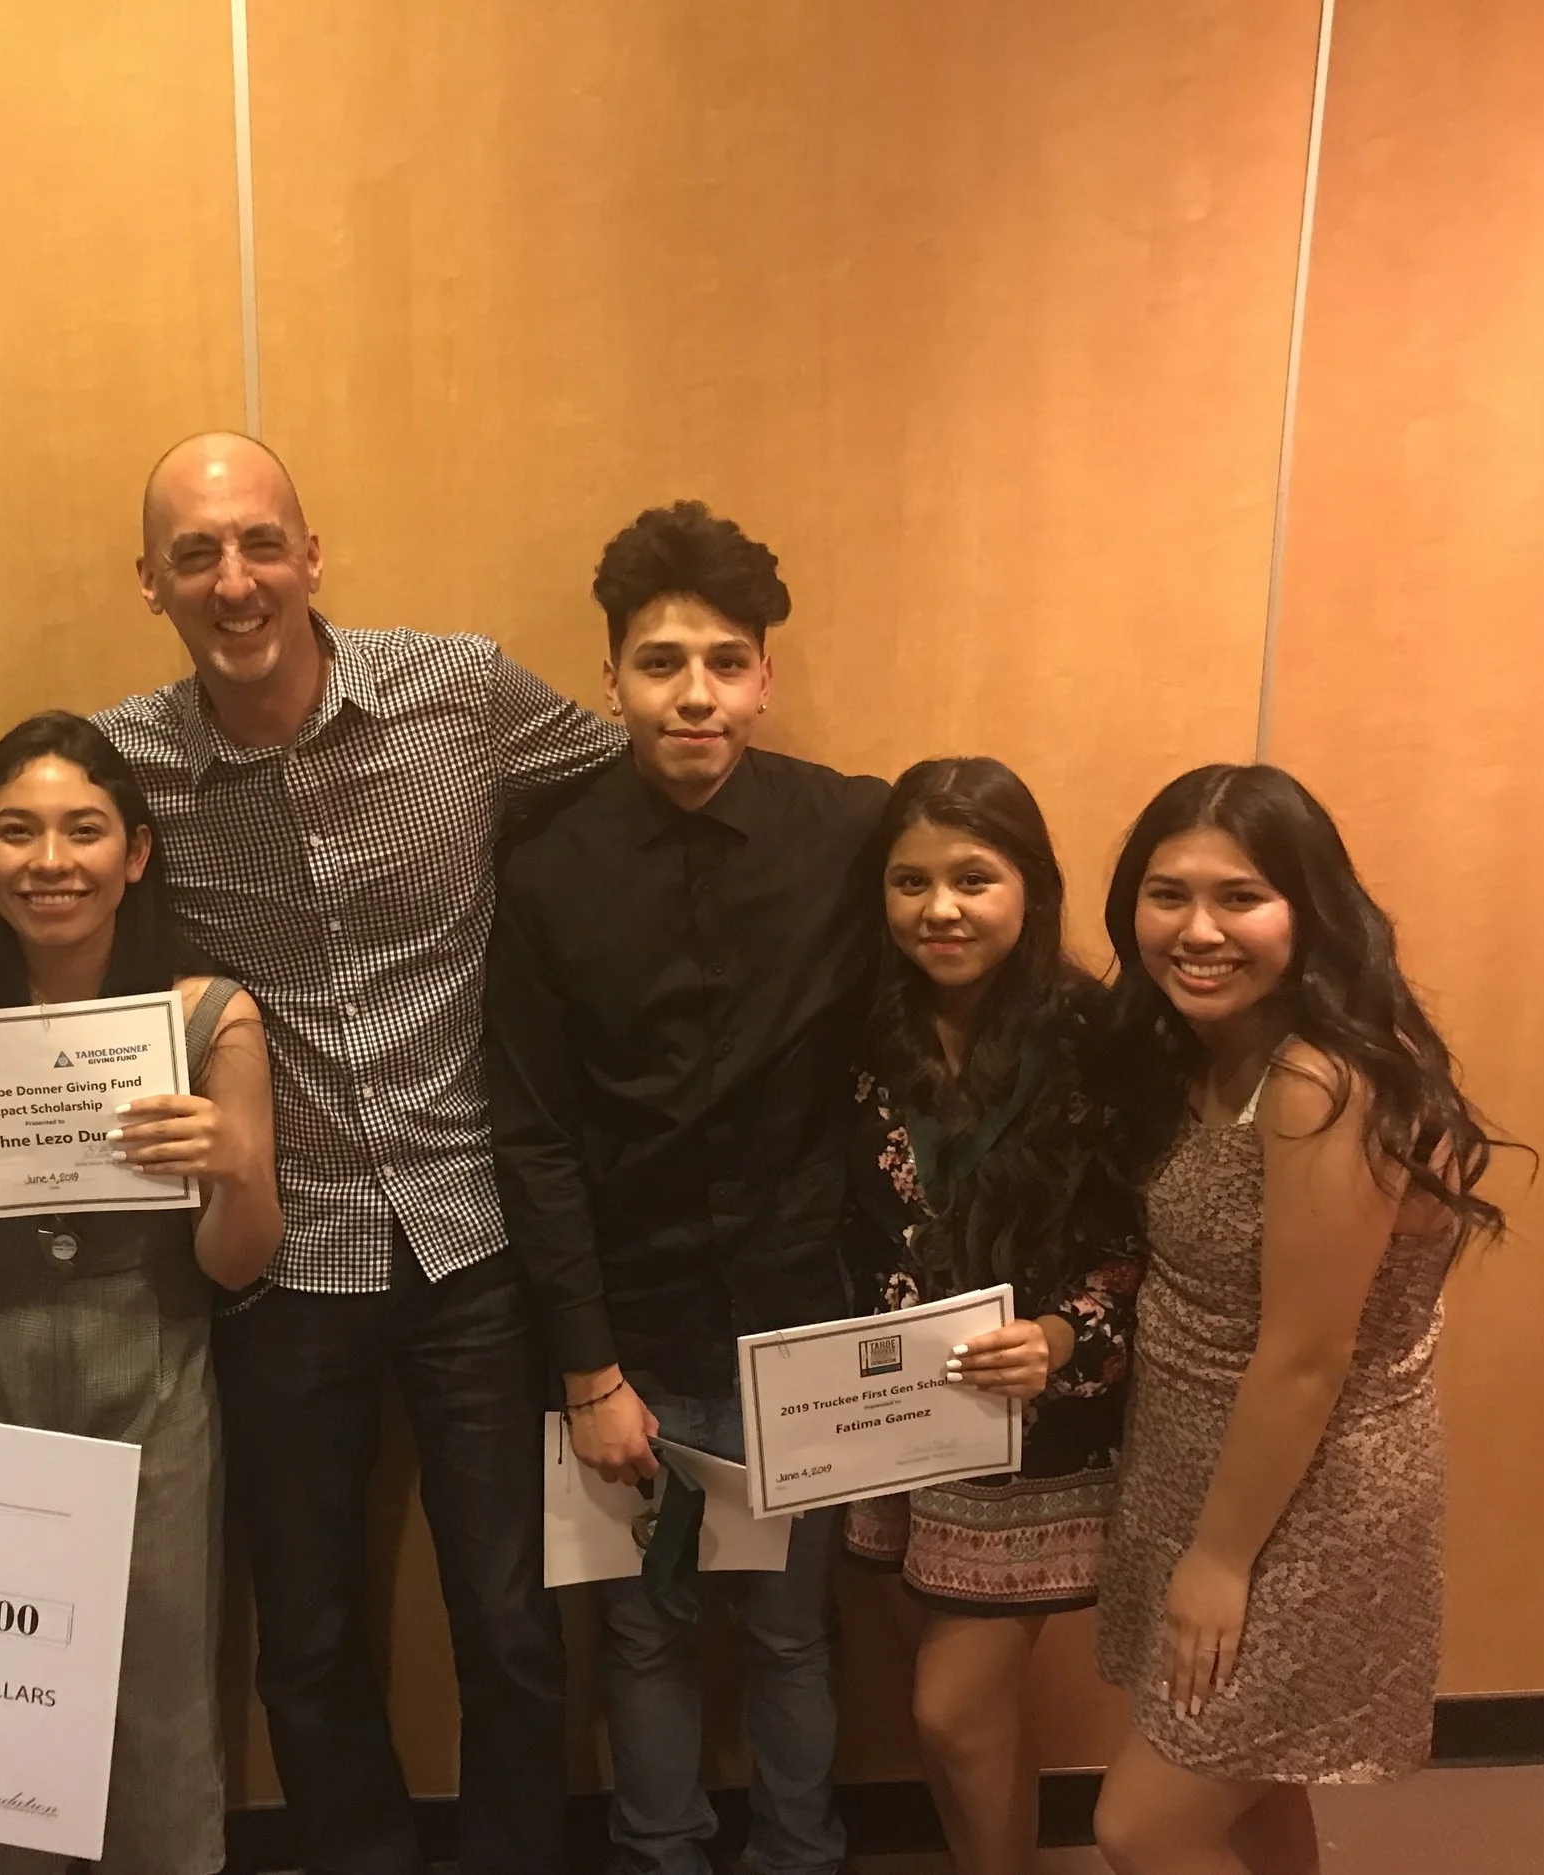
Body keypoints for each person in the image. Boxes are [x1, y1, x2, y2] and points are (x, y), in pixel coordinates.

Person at [92, 432, 622, 1875]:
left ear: (312, 554)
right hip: (278, 1259)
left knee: (511, 1618)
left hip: (474, 1238)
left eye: (261, 541)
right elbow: (5, 862)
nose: (235, 577)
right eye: (195, 553)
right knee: (309, 1629)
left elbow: (634, 789)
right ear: (151, 582)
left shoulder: (461, 692)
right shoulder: (126, 763)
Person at [488, 500, 888, 1875]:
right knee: (642, 1628)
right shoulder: (542, 860)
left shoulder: (855, 830)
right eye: (662, 662)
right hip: (631, 1329)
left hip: (799, 1319)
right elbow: (532, 1131)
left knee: (787, 1628)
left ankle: (802, 1852)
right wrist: (586, 1366)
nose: (695, 694)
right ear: (611, 679)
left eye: (726, 660)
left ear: (766, 675)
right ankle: (658, 1855)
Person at [0, 711, 279, 1875]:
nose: (50, 860)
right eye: (15, 832)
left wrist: (230, 1165)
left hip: (155, 1367)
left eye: (83, 830)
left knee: (158, 1684)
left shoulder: (208, 1015)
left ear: (136, 853)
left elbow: (238, 1261)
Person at [1089, 765, 1517, 1875]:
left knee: (1140, 1826)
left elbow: (1305, 1354)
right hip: (1204, 1460)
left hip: (1302, 1499)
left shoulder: (1321, 1079)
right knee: (1246, 1796)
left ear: (1307, 910)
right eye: (1166, 893)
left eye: (1240, 897)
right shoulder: (1210, 1047)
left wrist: (1219, 1560)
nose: (1197, 930)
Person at [836, 757, 1143, 1875]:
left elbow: (1145, 1237)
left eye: (973, 878)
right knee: (960, 1717)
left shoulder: (1096, 1036)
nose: (941, 910)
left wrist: (1062, 1337)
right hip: (889, 1422)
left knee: (950, 1710)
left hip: (1032, 1432)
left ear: (1031, 888)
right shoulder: (860, 1033)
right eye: (909, 883)